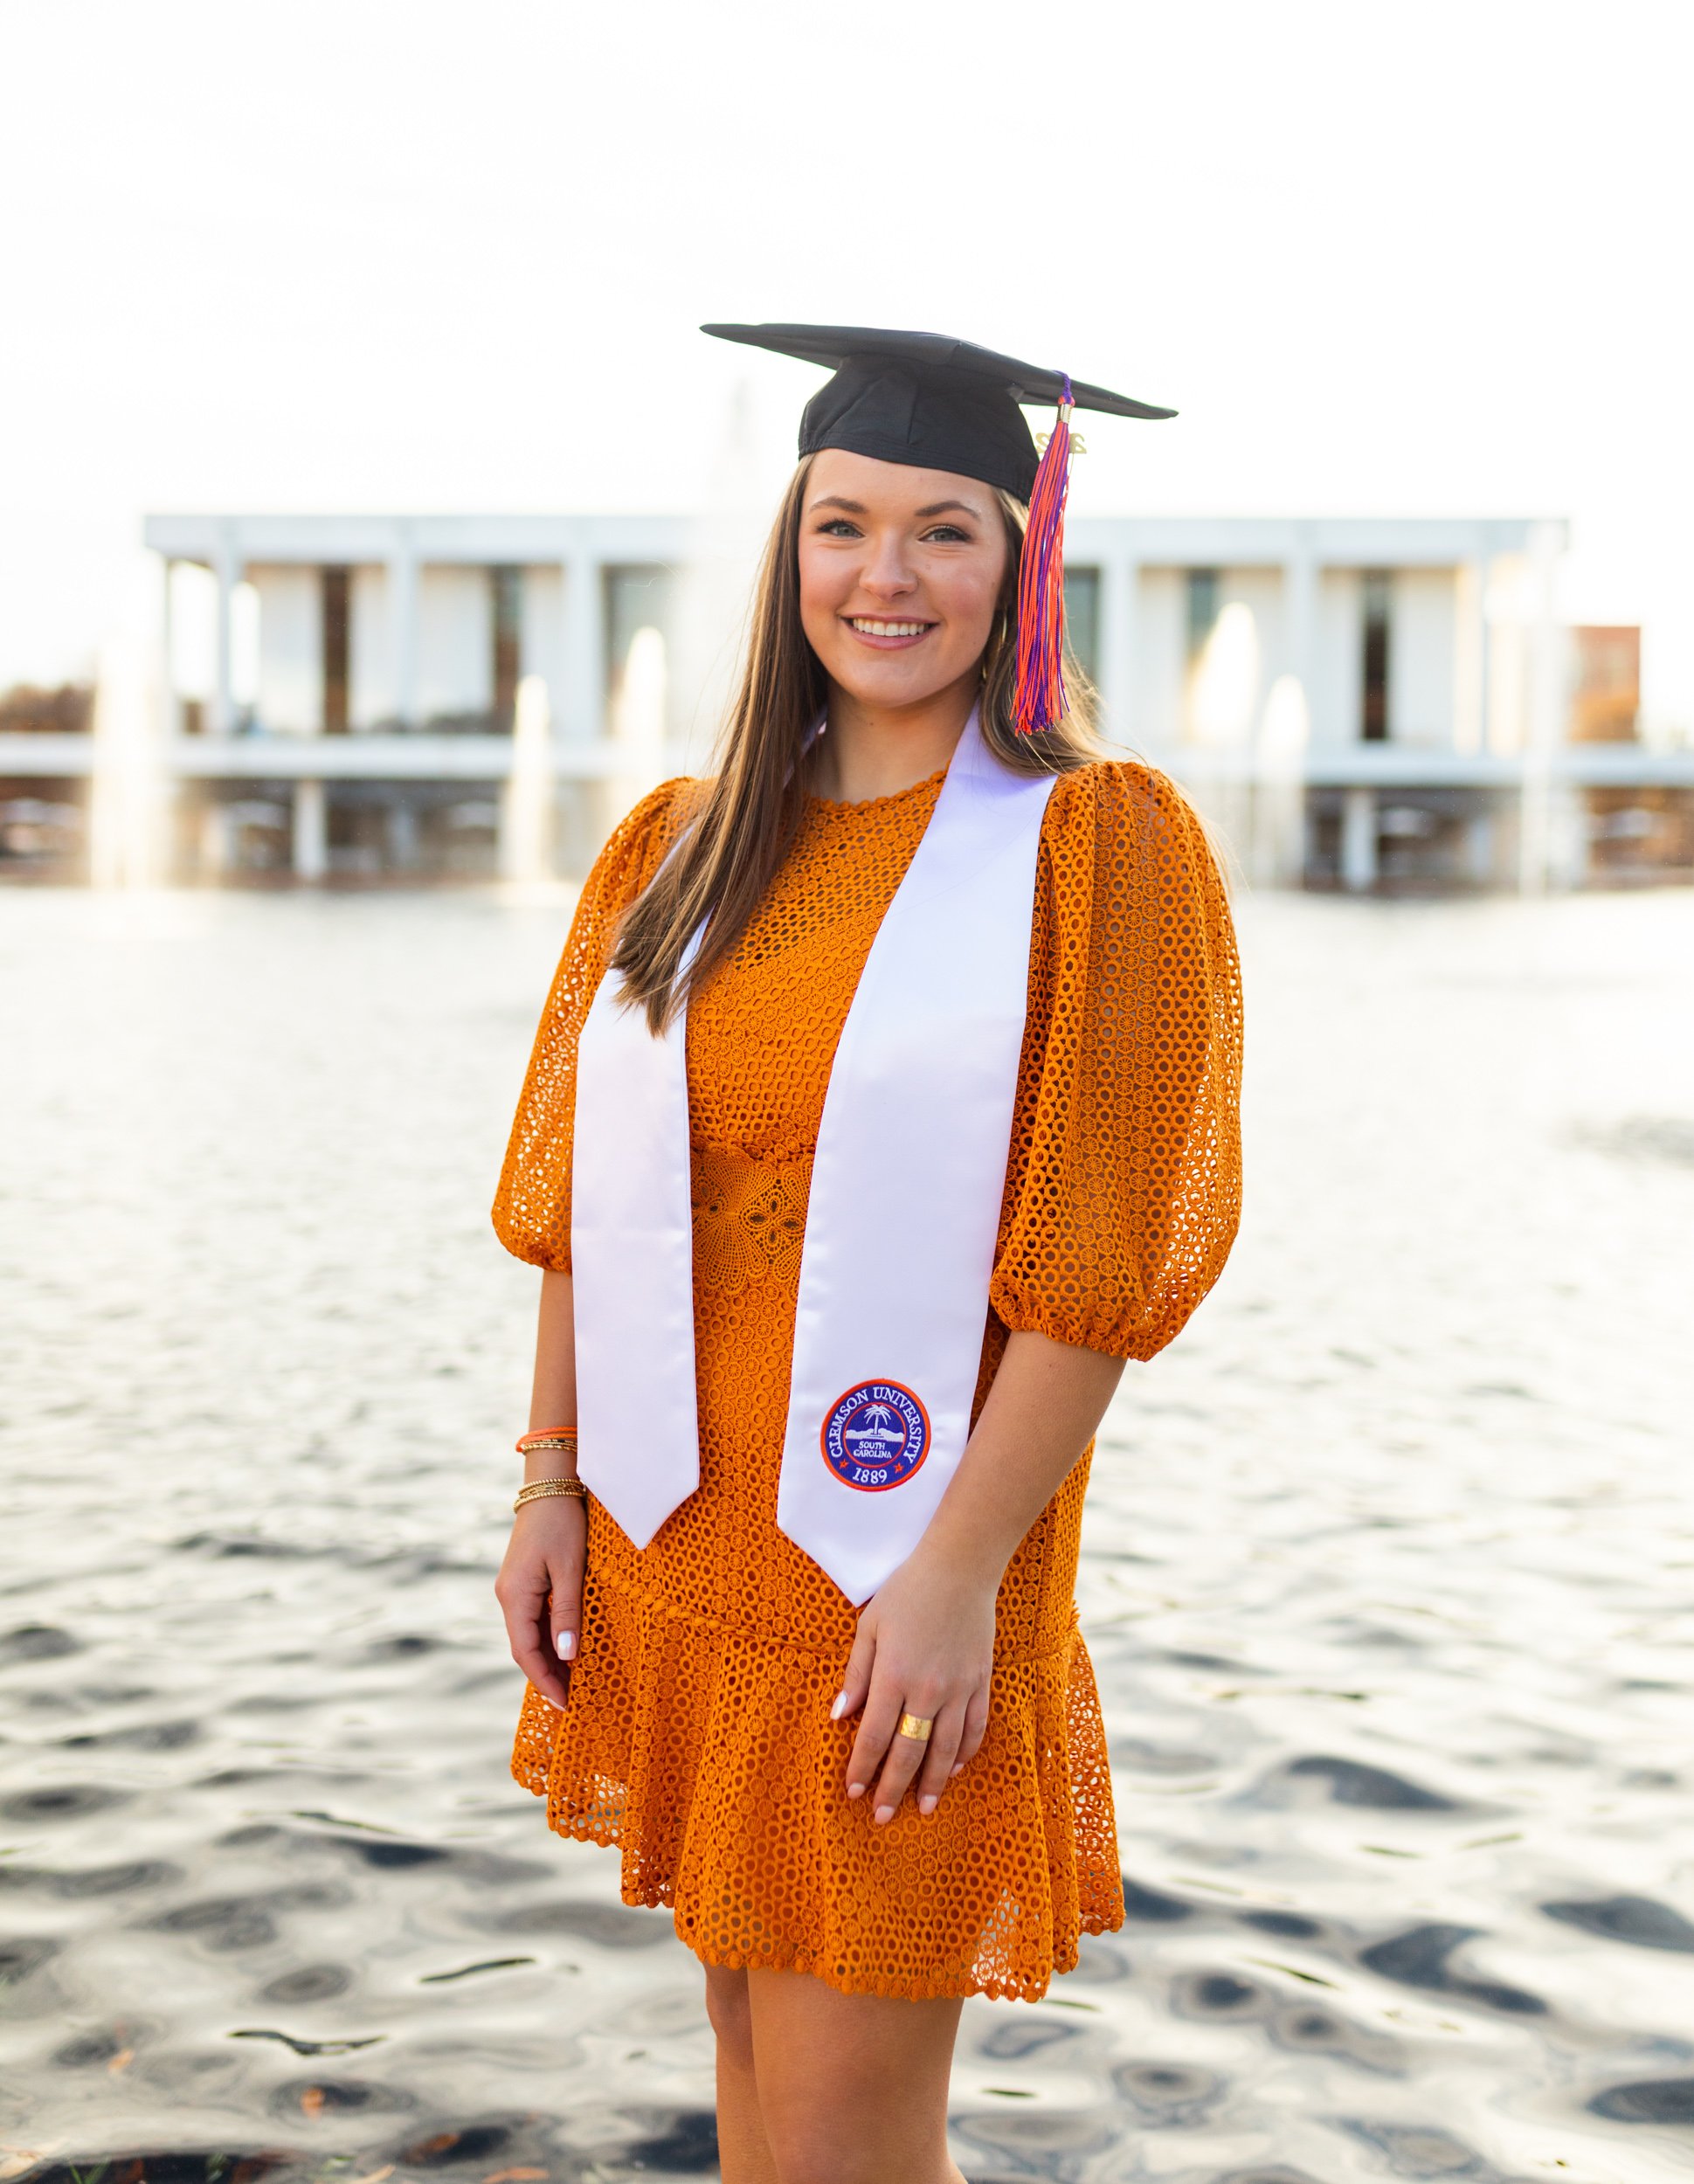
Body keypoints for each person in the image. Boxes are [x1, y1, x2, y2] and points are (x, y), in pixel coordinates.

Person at [493, 325, 1243, 2184]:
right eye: (840, 525)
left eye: (942, 532)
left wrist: (957, 1577)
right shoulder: (681, 846)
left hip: (892, 1576)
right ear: (788, 553)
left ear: (1020, 566)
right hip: (684, 1553)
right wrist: (545, 1475)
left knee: (842, 2136)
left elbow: (1095, 1271)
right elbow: (593, 1196)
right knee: (753, 2066)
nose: (882, 577)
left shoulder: (1095, 847)